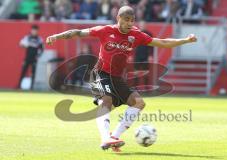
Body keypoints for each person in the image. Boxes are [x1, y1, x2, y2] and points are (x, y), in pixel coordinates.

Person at [46, 6, 197, 152]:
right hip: (100, 73)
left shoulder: (136, 35)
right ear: (118, 18)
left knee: (138, 103)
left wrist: (185, 40)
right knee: (106, 100)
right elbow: (78, 32)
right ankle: (105, 138)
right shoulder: (105, 30)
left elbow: (162, 42)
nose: (129, 23)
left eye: (132, 20)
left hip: (116, 78)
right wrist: (56, 36)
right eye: (126, 20)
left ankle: (114, 137)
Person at [18, 25, 44, 90]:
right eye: (33, 30)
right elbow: (21, 44)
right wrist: (25, 45)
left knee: (33, 73)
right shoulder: (27, 38)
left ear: (37, 31)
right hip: (27, 58)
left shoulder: (39, 39)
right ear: (31, 30)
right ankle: (19, 86)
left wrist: (38, 55)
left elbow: (42, 49)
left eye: (35, 30)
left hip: (34, 58)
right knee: (23, 71)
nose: (34, 31)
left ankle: (31, 87)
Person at [134, 21, 153, 88]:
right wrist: (130, 55)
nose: (142, 26)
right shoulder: (136, 33)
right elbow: (131, 45)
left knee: (145, 73)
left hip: (146, 55)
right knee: (136, 73)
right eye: (141, 25)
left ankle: (146, 88)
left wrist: (151, 55)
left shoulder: (149, 34)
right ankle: (135, 88)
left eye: (144, 25)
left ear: (146, 25)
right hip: (137, 55)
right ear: (139, 25)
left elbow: (152, 46)